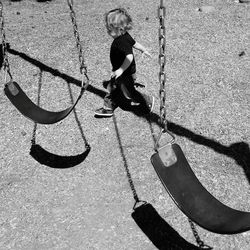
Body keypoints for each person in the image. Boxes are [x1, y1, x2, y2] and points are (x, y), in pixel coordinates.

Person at [95, 7, 155, 117]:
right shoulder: (125, 36)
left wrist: (120, 70)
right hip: (125, 72)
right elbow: (135, 43)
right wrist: (143, 49)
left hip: (124, 73)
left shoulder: (121, 41)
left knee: (129, 93)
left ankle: (147, 101)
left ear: (121, 29)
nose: (108, 32)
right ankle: (108, 107)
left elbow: (129, 57)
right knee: (112, 88)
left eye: (110, 29)